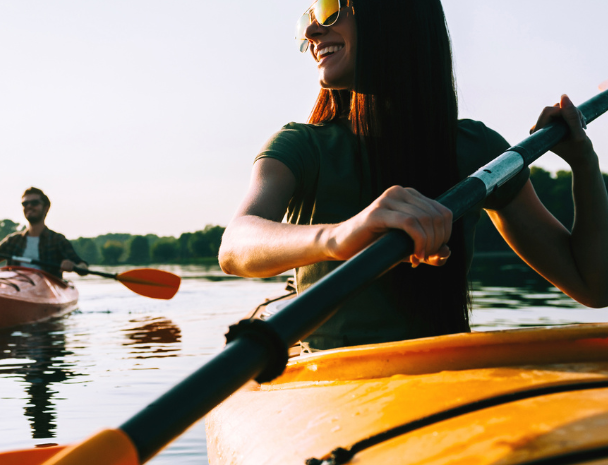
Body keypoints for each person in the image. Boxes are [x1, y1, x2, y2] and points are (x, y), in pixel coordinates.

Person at [218, 0, 608, 349]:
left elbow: (592, 285)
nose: (311, 30)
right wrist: (340, 235)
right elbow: (234, 248)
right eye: (309, 16)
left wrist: (584, 163)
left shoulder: (477, 150)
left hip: (445, 382)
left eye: (329, 9)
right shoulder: (301, 146)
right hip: (329, 389)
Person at [0, 187, 88, 280]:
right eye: (25, 204)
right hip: (16, 286)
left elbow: (83, 267)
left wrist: (73, 265)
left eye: (34, 203)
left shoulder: (57, 240)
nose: (29, 206)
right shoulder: (13, 240)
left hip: (46, 289)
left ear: (46, 208)